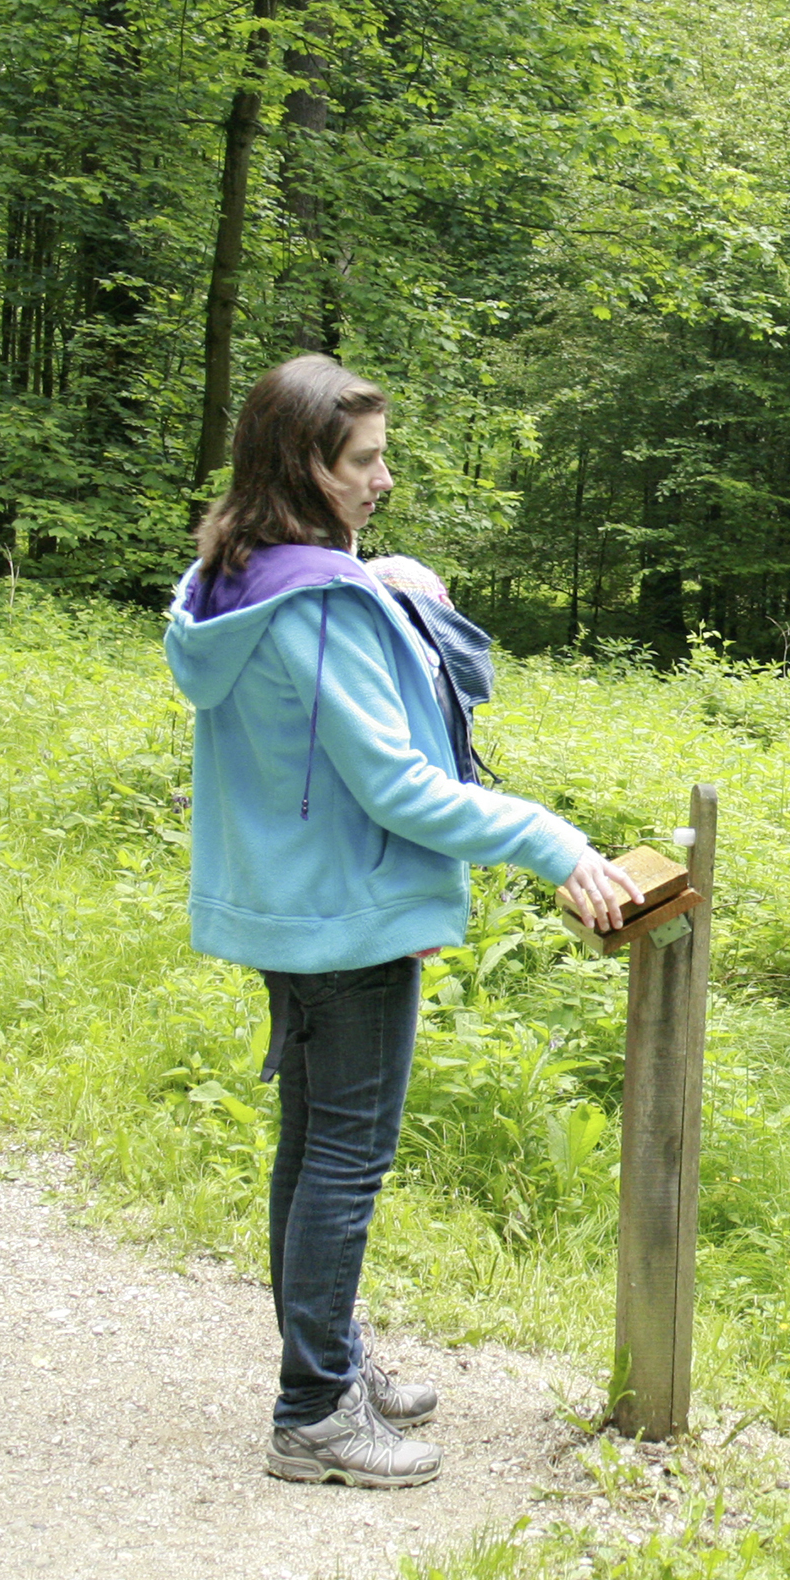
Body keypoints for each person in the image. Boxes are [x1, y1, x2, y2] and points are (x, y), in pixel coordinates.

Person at [165, 355, 640, 1488]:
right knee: (345, 1155)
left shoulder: (244, 577)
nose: (384, 478)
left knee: (312, 1145)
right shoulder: (316, 607)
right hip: (343, 915)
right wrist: (554, 843)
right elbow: (394, 784)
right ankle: (315, 1410)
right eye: (364, 460)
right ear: (306, 469)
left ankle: (323, 1365)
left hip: (308, 900)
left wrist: (391, 589)